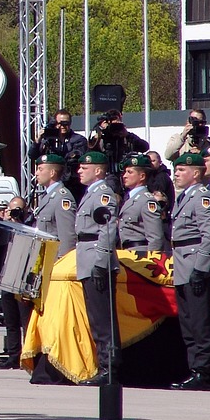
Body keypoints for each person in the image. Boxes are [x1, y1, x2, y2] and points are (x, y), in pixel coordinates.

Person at [168, 153, 210, 390]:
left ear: (196, 173)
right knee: (188, 324)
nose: (176, 174)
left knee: (200, 322)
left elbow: (209, 235)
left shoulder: (201, 197)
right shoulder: (183, 197)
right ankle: (194, 369)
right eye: (176, 170)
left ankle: (204, 371)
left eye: (181, 170)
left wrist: (201, 268)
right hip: (182, 266)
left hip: (195, 265)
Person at [73, 151, 121, 387]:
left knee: (103, 319)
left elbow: (107, 231)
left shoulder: (103, 194)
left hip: (96, 260)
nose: (79, 171)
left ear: (99, 170)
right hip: (87, 258)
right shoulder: (90, 193)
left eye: (85, 168)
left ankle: (109, 367)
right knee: (95, 318)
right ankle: (103, 364)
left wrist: (101, 264)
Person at [0, 195, 35, 371]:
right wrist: (7, 222)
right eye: (11, 210)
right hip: (7, 276)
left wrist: (21, 222)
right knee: (10, 321)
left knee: (26, 320)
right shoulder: (5, 227)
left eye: (17, 209)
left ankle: (28, 355)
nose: (14, 213)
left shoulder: (30, 226)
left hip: (23, 278)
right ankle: (13, 355)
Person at [117, 155, 165, 253]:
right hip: (126, 253)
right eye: (125, 172)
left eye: (130, 172)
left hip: (141, 254)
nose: (124, 176)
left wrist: (152, 259)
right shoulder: (130, 198)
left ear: (142, 176)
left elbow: (155, 237)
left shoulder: (147, 201)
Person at [32, 154, 77, 257]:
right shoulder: (48, 196)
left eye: (40, 169)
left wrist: (63, 261)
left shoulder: (62, 198)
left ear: (52, 173)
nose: (36, 173)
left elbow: (67, 236)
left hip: (55, 258)